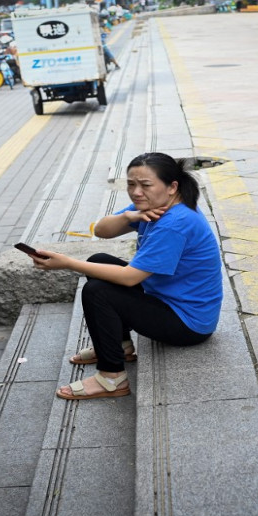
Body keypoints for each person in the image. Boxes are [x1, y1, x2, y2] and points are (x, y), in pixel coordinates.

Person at [24, 152, 223, 400]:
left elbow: (130, 278)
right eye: (131, 184)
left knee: (98, 292)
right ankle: (120, 347)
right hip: (165, 300)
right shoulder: (156, 204)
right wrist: (128, 217)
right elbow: (102, 231)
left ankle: (112, 378)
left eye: (145, 185)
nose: (136, 192)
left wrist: (68, 263)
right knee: (99, 260)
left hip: (188, 324)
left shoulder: (176, 223)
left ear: (172, 187)